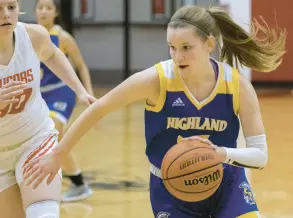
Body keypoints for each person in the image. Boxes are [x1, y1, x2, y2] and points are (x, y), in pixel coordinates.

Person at [24, 5, 286, 218]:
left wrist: (220, 154)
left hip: (226, 182)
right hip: (171, 186)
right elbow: (99, 108)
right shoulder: (156, 80)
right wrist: (59, 153)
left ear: (209, 44)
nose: (177, 56)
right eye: (172, 47)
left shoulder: (236, 85)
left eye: (186, 47)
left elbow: (260, 156)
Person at [0, 0, 95, 217]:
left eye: (11, 7)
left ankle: (77, 180)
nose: (6, 14)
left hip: (34, 139)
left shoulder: (34, 36)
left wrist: (80, 91)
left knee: (43, 213)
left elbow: (52, 54)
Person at [35, 0, 93, 202]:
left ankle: (78, 183)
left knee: (55, 131)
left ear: (56, 13)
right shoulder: (29, 35)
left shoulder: (63, 37)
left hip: (61, 91)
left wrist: (87, 92)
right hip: (39, 93)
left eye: (48, 8)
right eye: (40, 7)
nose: (43, 11)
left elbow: (81, 66)